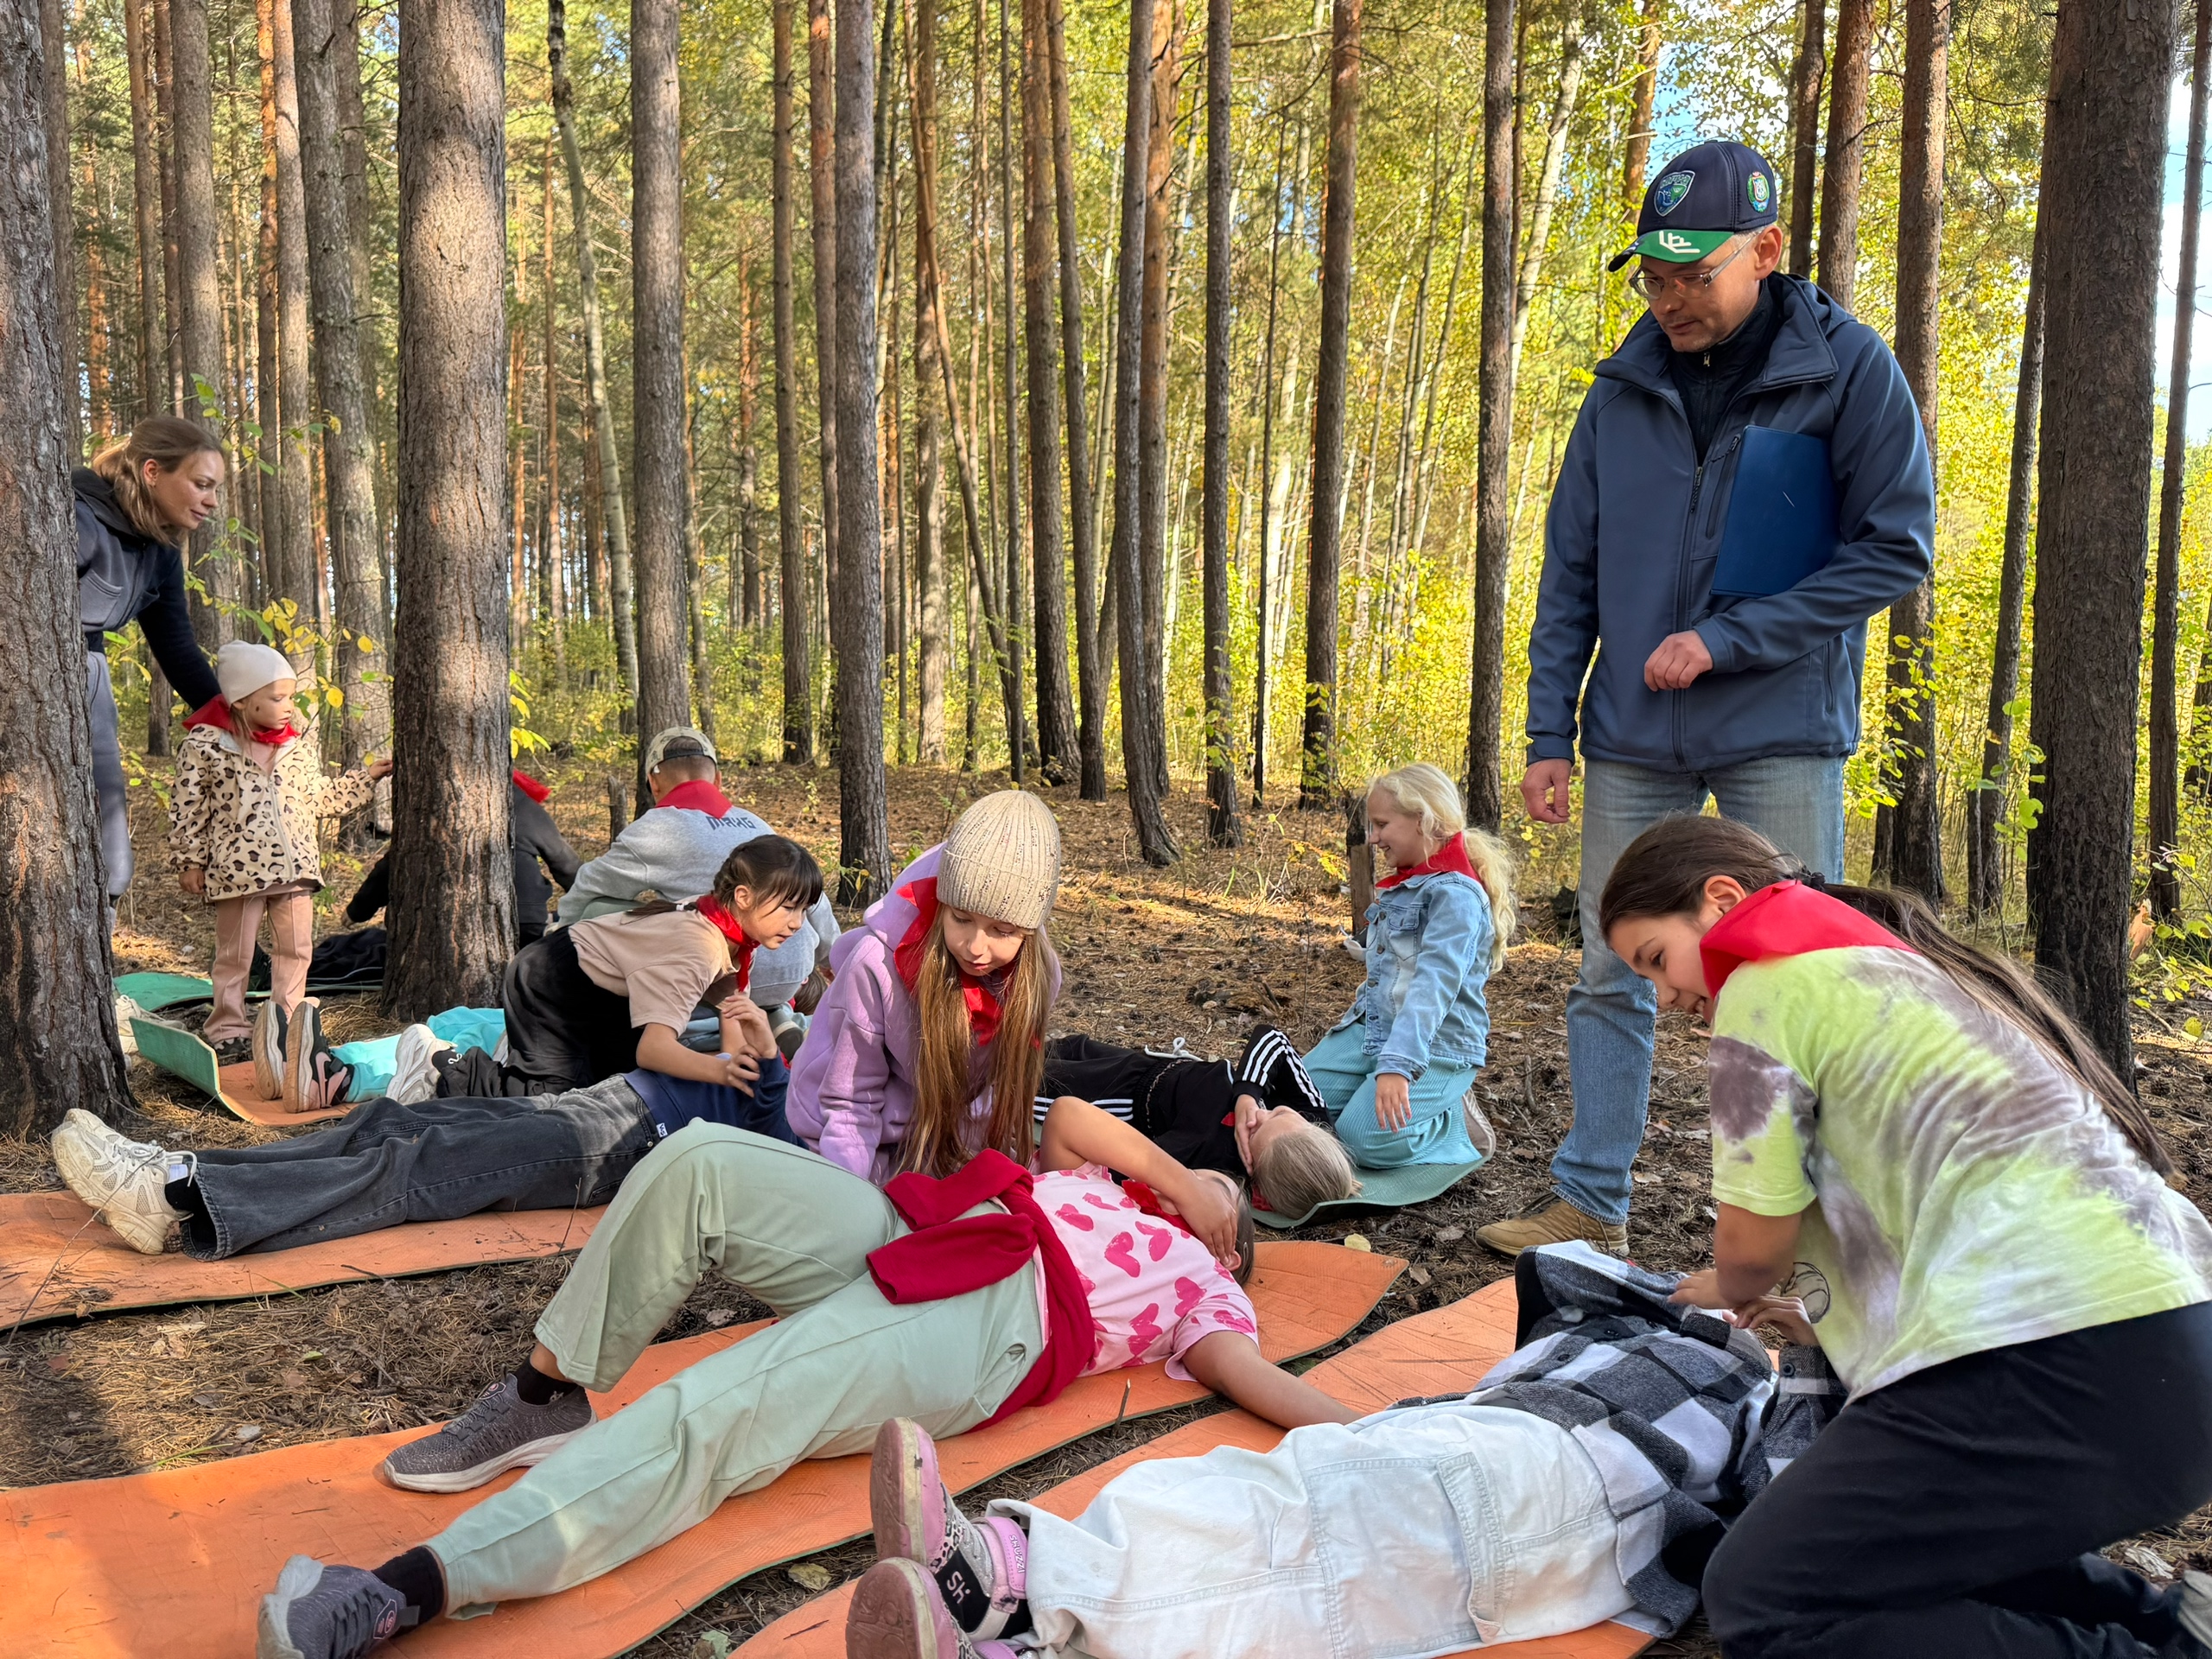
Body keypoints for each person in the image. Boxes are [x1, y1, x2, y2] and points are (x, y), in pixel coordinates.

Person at [250, 1096, 1342, 1659]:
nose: (1210, 1184)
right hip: (933, 1230)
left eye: (1229, 1194)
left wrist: (1383, 1427)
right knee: (699, 1163)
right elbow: (1068, 1125)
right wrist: (1176, 1178)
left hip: (991, 1319)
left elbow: (1249, 1376)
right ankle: (547, 1394)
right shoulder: (1121, 1181)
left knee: (728, 1399)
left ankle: (413, 1586)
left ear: (1242, 1235)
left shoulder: (1206, 1286)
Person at [1599, 813, 2212, 1656]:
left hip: (2055, 1356)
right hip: (2168, 1347)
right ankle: (2173, 1628)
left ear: (1723, 900)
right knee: (1891, 1562)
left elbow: (1751, 1252)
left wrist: (1726, 1286)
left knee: (1769, 1598)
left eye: (1655, 960)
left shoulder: (1765, 986)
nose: (1663, 998)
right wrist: (1821, 1316)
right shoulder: (1897, 973)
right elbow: (1951, 1201)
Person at [1490, 138, 1936, 1261]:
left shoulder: (1848, 370)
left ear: (1767, 250)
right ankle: (1591, 1199)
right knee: (1610, 963)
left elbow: (1896, 549)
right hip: (1631, 733)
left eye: (1694, 273)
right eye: (1653, 275)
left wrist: (1731, 639)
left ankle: (1825, 1231)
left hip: (1779, 726)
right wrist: (1549, 730)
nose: (1671, 298)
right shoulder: (1620, 391)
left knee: (1804, 978)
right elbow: (1570, 569)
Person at [839, 1241, 1850, 1659]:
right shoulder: (1641, 1320)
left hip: (1565, 1495)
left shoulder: (1764, 1395)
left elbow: (1788, 1506)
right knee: (1248, 1504)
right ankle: (1007, 1607)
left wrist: (1802, 1348)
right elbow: (1557, 1270)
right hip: (1466, 1438)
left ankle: (1005, 1582)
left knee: (1296, 1547)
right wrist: (1685, 1292)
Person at [281, 837, 813, 1115]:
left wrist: (741, 1067)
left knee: (608, 1085)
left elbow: (731, 1023)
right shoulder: (698, 947)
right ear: (743, 897)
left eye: (805, 910)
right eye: (788, 907)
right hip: (555, 983)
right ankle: (439, 1069)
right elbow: (656, 1050)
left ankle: (492, 1052)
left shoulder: (727, 933)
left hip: (597, 995)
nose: (797, 923)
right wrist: (723, 1074)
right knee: (545, 1099)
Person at [786, 790, 1064, 1183]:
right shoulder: (876, 966)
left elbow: (989, 1096)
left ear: (1029, 932)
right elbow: (850, 1102)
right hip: (849, 1140)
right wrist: (849, 1195)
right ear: (940, 903)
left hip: (941, 1140)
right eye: (961, 919)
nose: (976, 947)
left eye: (1002, 930)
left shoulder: (1038, 977)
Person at [168, 640, 389, 1070]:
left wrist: (365, 779)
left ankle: (286, 1027)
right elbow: (187, 807)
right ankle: (228, 1029)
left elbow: (319, 797)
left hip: (295, 870)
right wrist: (190, 861)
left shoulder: (293, 746)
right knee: (235, 956)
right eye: (277, 698)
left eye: (290, 696)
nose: (288, 707)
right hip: (238, 873)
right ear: (242, 700)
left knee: (296, 951)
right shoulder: (206, 745)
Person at [1304, 764, 1514, 1171]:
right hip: (1374, 1030)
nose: (1373, 837)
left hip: (1436, 1043)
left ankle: (1453, 1123)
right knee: (1294, 1102)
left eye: (1382, 824)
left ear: (1423, 820)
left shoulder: (1456, 896)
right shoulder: (1407, 883)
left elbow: (1431, 988)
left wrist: (1397, 1066)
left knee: (1364, 1140)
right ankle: (1373, 1093)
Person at [556, 727, 838, 1017]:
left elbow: (588, 887)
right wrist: (833, 959)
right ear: (717, 780)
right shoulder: (756, 823)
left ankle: (681, 1019)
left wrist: (556, 937)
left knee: (599, 908)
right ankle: (773, 1017)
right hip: (789, 978)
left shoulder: (653, 830)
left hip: (713, 980)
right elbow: (813, 899)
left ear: (653, 783)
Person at [75, 416, 226, 909]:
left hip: (88, 680)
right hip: (35, 677)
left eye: (216, 489)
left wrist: (236, 723)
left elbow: (176, 647)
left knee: (111, 862)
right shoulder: (79, 518)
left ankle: (92, 954)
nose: (212, 501)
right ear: (152, 472)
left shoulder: (161, 551)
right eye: (201, 484)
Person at [1036, 1027, 1363, 1219]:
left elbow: (1137, 1167)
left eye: (1254, 1130)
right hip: (1148, 1064)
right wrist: (1248, 1093)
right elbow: (1272, 1039)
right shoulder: (1309, 1120)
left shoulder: (1212, 1149)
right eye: (1279, 1113)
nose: (1261, 1114)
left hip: (1121, 1096)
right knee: (1071, 1045)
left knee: (1027, 1081)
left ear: (1254, 1170)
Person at [344, 768, 580, 945]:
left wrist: (357, 911)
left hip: (444, 931)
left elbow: (390, 868)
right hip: (523, 925)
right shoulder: (527, 809)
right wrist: (592, 899)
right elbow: (567, 866)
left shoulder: (433, 811)